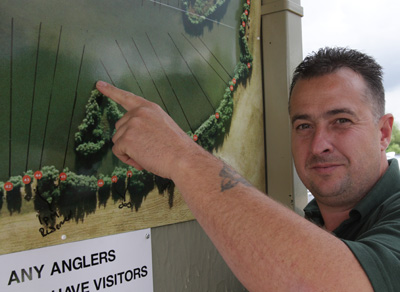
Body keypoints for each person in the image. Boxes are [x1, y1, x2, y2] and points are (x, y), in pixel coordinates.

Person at [96, 47, 400, 291]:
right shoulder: (310, 223)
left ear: (384, 133)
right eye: (304, 125)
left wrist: (180, 156)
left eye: (341, 121)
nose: (319, 144)